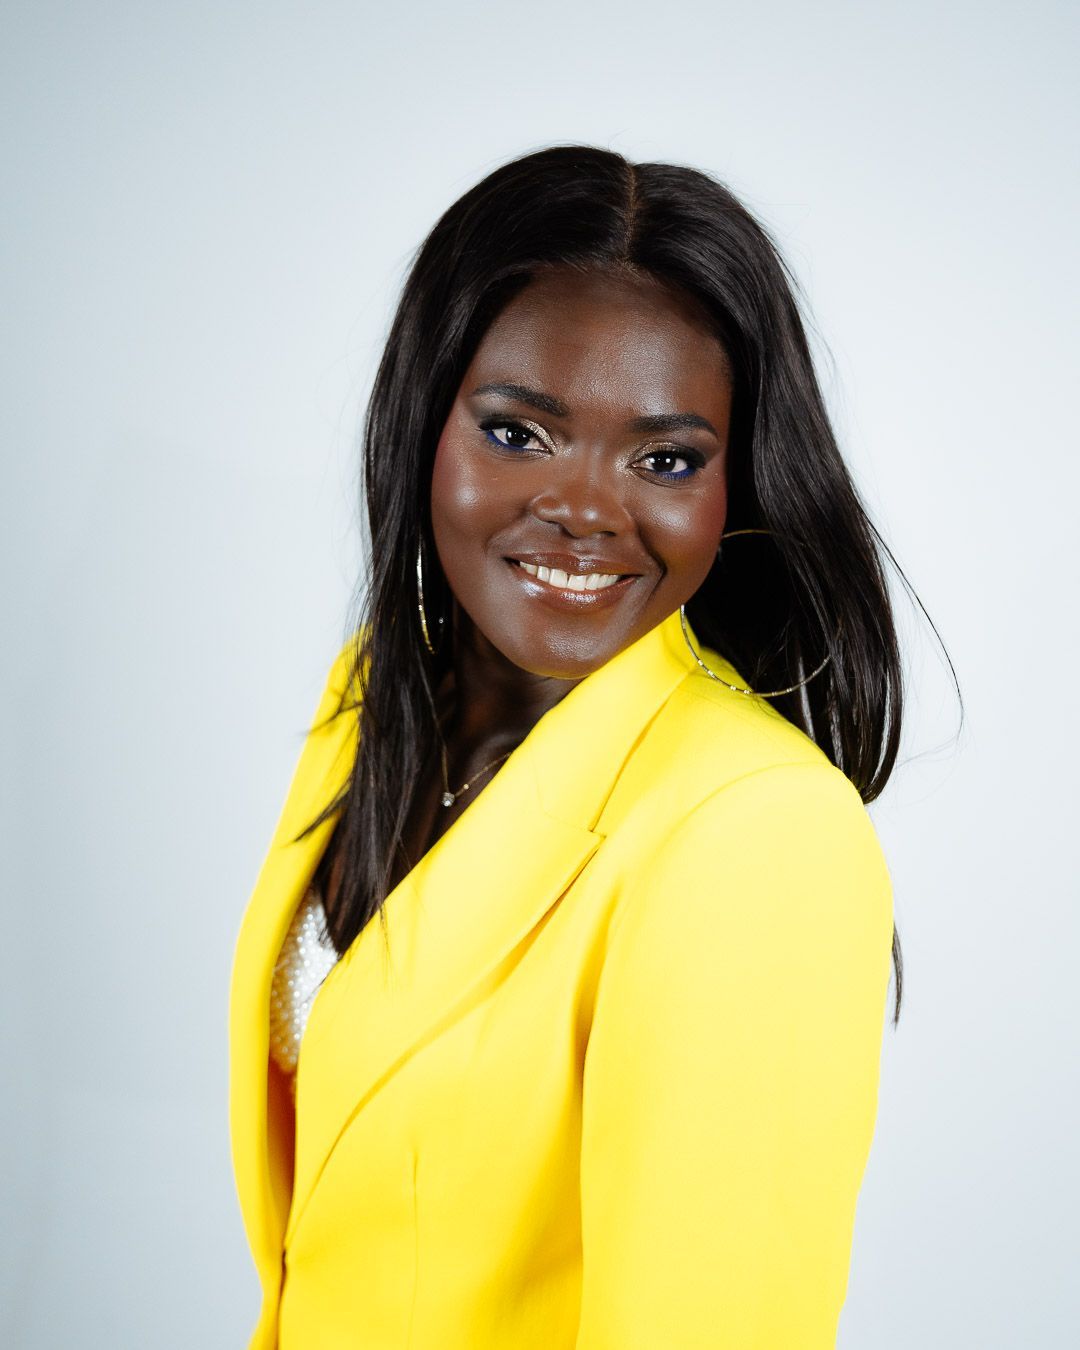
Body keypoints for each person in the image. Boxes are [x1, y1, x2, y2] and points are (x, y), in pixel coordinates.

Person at [229, 143, 909, 1348]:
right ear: (423, 421)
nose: (589, 511)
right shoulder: (372, 702)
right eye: (521, 434)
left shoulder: (754, 830)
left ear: (734, 488)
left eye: (665, 460)